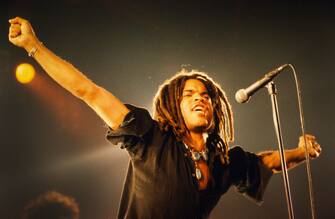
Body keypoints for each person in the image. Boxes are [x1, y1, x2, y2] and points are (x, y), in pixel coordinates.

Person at [9, 17, 321, 219]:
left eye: (206, 95)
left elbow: (266, 162)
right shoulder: (150, 136)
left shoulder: (221, 160)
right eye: (189, 95)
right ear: (173, 105)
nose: (200, 98)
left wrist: (301, 152)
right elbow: (88, 92)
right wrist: (34, 47)